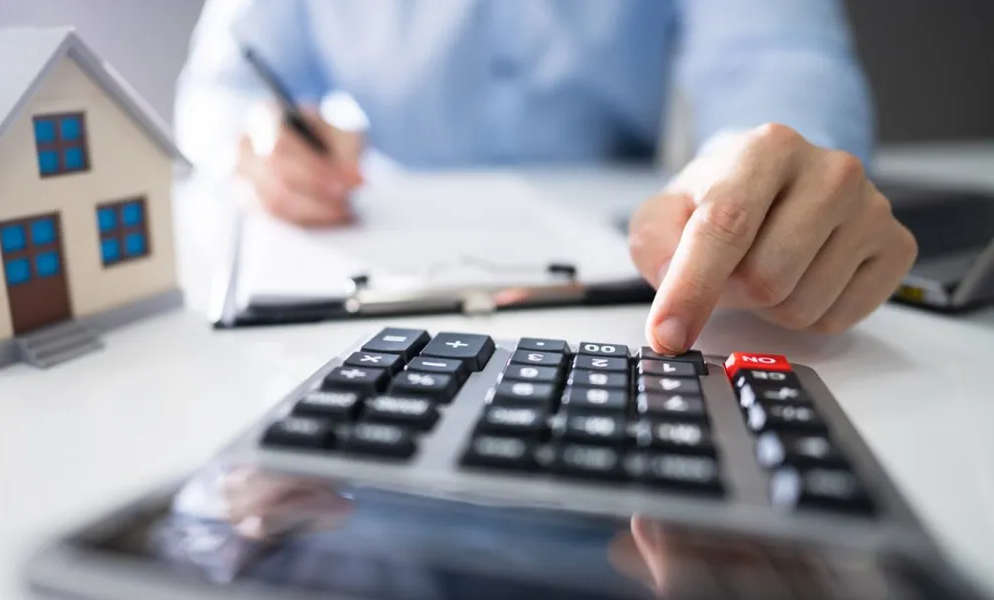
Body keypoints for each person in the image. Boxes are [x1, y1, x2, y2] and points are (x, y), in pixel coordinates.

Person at [174, 0, 918, 355]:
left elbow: (778, 56)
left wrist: (768, 181)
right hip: (368, 253)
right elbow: (218, 89)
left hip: (630, 261)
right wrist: (254, 141)